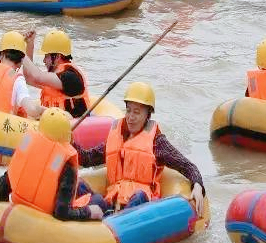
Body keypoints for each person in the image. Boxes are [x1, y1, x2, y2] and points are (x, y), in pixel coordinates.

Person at [77, 82, 206, 212]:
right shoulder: (117, 137)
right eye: (128, 111)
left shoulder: (157, 142)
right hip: (112, 204)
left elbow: (187, 166)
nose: (130, 117)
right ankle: (101, 216)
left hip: (138, 206)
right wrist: (69, 140)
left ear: (147, 115)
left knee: (139, 195)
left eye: (137, 112)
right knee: (78, 185)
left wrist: (197, 185)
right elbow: (87, 158)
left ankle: (113, 218)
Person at [0, 108, 104, 221]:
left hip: (20, 208)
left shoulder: (27, 147)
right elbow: (61, 213)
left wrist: (6, 215)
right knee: (99, 200)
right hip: (45, 218)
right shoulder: (65, 165)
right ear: (67, 135)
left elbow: (1, 187)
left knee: (80, 185)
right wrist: (89, 212)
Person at [20, 30, 90, 118]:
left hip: (72, 122)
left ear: (57, 57)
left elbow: (37, 76)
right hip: (53, 121)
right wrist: (30, 44)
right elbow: (29, 78)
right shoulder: (56, 75)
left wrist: (20, 53)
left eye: (46, 56)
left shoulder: (70, 76)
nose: (44, 61)